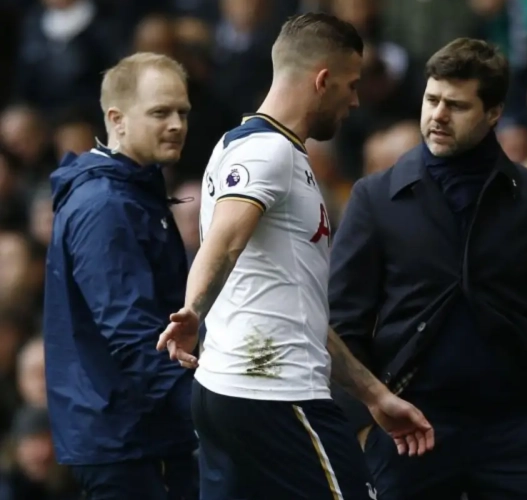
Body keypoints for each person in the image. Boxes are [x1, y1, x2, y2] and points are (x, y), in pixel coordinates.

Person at [156, 13, 434, 500]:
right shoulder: (269, 153)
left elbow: (299, 309)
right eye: (350, 85)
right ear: (322, 80)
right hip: (278, 397)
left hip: (234, 394)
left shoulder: (240, 148)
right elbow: (224, 240)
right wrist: (193, 310)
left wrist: (374, 396)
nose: (355, 100)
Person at [328, 38, 527, 500]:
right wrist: (368, 418)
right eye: (431, 100)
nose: (438, 115)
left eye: (456, 105)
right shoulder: (374, 198)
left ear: (494, 113)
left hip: (521, 431)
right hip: (408, 428)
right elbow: (341, 322)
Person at [43, 52, 198, 499]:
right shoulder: (106, 205)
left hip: (136, 432)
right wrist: (203, 416)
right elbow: (133, 334)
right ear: (117, 118)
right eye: (160, 112)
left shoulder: (132, 191)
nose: (176, 124)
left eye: (182, 112)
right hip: (127, 440)